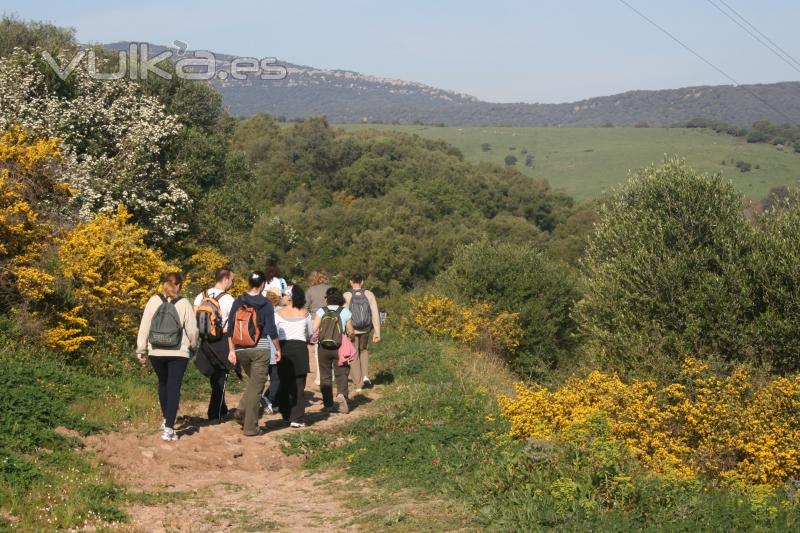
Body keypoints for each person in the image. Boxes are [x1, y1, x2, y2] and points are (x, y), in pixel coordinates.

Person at [136, 272, 198, 442]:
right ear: (179, 285)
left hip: (156, 351)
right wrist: (193, 346)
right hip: (178, 352)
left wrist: (141, 350)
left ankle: (166, 420)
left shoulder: (153, 300)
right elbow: (192, 330)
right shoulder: (184, 303)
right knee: (174, 387)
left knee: (163, 384)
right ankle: (170, 428)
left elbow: (144, 325)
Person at [227, 271, 281, 437]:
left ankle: (241, 412)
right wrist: (278, 349)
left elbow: (230, 328)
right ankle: (250, 427)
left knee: (254, 384)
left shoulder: (238, 300)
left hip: (241, 349)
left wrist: (231, 350)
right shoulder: (265, 303)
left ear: (249, 283)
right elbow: (271, 330)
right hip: (260, 348)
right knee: (257, 388)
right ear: (263, 284)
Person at [193, 267, 236, 422]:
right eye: (232, 280)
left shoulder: (201, 295)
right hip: (222, 340)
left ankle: (221, 408)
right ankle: (214, 413)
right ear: (225, 279)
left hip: (205, 340)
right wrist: (232, 348)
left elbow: (194, 317)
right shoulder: (229, 299)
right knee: (221, 377)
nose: (232, 283)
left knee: (215, 377)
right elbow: (232, 326)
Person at [275, 285, 314, 427]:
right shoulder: (305, 313)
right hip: (300, 348)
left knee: (284, 382)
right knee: (299, 384)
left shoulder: (278, 313)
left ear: (290, 297)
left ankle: (286, 415)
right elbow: (310, 333)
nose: (283, 297)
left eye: (284, 294)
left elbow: (273, 333)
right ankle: (297, 418)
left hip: (284, 348)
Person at [313, 289, 354, 414]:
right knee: (341, 373)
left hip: (323, 347)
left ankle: (328, 405)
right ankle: (342, 394)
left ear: (327, 298)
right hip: (340, 347)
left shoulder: (321, 311)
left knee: (325, 376)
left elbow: (314, 328)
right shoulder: (345, 311)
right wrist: (349, 338)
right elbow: (350, 331)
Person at [343, 274, 381, 392]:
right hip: (366, 329)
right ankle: (365, 375)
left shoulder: (347, 295)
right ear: (362, 282)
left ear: (351, 282)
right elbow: (375, 313)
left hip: (352, 330)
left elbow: (344, 315)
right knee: (363, 350)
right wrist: (377, 332)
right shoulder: (369, 294)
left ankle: (358, 383)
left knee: (353, 354)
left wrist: (345, 331)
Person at [305, 271, 331, 386]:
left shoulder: (310, 291)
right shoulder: (331, 288)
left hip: (315, 320)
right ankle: (332, 374)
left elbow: (306, 307)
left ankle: (320, 377)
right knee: (332, 346)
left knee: (317, 349)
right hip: (331, 319)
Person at [261, 288, 283, 414]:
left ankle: (270, 403)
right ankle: (267, 398)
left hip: (261, 347)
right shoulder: (278, 312)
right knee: (276, 377)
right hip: (274, 348)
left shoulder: (261, 309)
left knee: (261, 377)